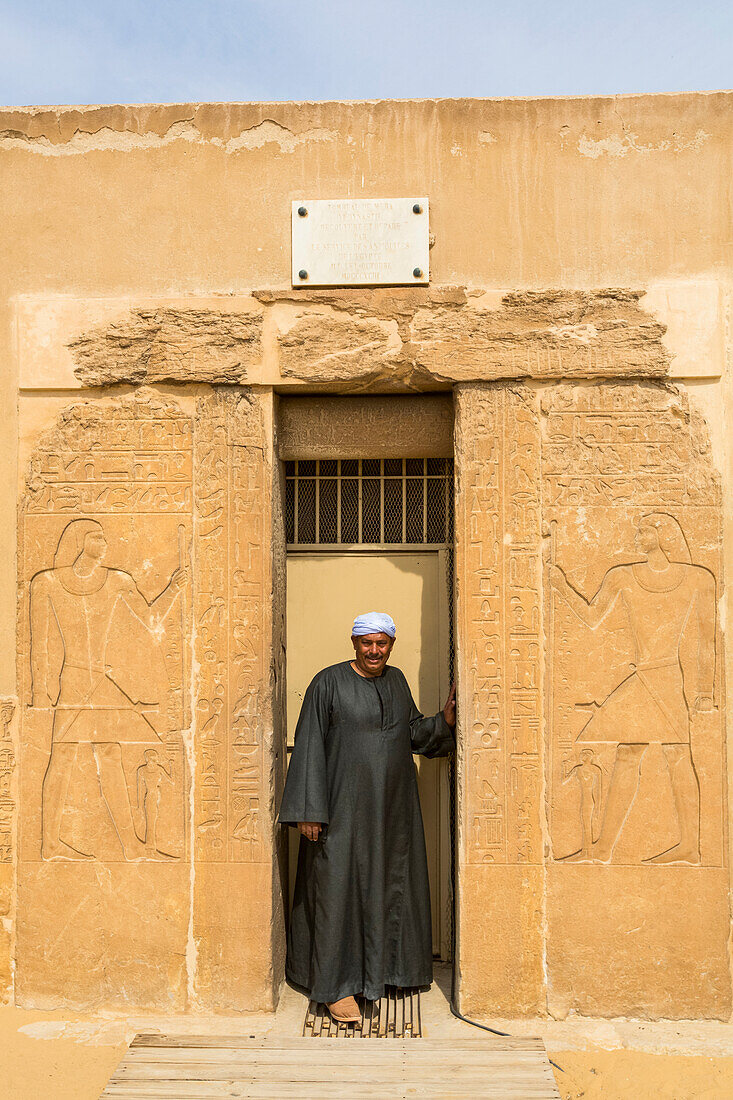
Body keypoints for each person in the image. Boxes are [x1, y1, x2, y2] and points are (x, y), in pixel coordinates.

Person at [279, 611, 456, 1023]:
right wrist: (309, 811)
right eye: (367, 643)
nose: (374, 650)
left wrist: (442, 722)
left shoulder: (395, 681)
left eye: (382, 643)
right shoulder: (328, 683)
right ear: (354, 643)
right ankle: (335, 988)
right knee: (337, 890)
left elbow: (410, 731)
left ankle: (385, 972)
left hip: (391, 812)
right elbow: (308, 747)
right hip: (340, 811)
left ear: (391, 644)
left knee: (386, 885)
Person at [550, 512, 715, 864]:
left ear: (663, 535)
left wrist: (705, 691)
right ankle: (605, 848)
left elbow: (705, 641)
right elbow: (593, 618)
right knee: (627, 755)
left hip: (669, 677)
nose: (637, 536)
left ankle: (689, 846)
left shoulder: (697, 579)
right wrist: (560, 585)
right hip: (643, 677)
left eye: (644, 531)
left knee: (677, 757)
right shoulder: (622, 576)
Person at [30, 518, 187, 861]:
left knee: (111, 756)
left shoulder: (117, 581)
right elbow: (39, 645)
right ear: (79, 541)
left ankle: (130, 846)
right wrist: (39, 690)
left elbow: (149, 621)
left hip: (101, 681)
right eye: (97, 537)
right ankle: (50, 844)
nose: (104, 544)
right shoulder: (47, 582)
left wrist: (174, 588)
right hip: (72, 680)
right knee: (63, 758)